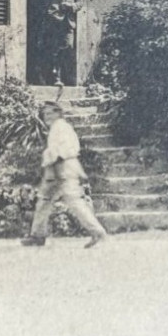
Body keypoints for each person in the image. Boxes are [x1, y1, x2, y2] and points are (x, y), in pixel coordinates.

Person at [21, 101, 108, 248]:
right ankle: (37, 235)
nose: (46, 116)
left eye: (50, 113)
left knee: (74, 201)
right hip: (55, 168)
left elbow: (66, 149)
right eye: (45, 114)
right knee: (44, 201)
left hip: (63, 167)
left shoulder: (61, 127)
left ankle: (98, 232)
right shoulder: (57, 127)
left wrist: (56, 167)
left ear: (58, 113)